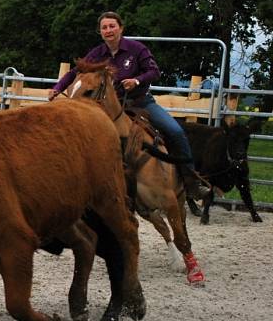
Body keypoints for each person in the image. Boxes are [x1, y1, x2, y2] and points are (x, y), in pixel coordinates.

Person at [49, 11, 210, 200]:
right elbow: (75, 72)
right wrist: (57, 88)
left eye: (112, 26)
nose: (108, 30)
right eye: (104, 27)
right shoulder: (97, 54)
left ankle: (191, 181)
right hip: (111, 109)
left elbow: (153, 71)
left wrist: (137, 81)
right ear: (100, 32)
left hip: (141, 103)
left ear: (121, 28)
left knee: (175, 131)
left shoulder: (136, 49)